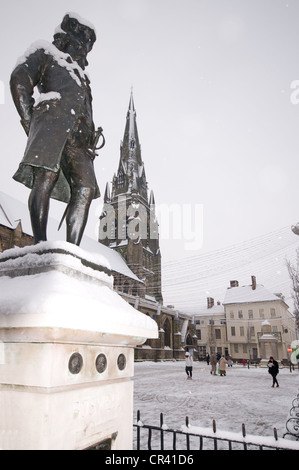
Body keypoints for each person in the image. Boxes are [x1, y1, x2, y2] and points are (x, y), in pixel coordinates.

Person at [10, 13, 102, 246]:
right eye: (80, 47)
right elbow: (19, 79)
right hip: (52, 125)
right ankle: (40, 243)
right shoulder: (46, 53)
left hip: (79, 143)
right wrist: (30, 121)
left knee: (86, 188)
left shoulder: (83, 78)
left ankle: (72, 251)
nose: (83, 53)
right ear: (66, 40)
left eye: (85, 49)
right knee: (46, 176)